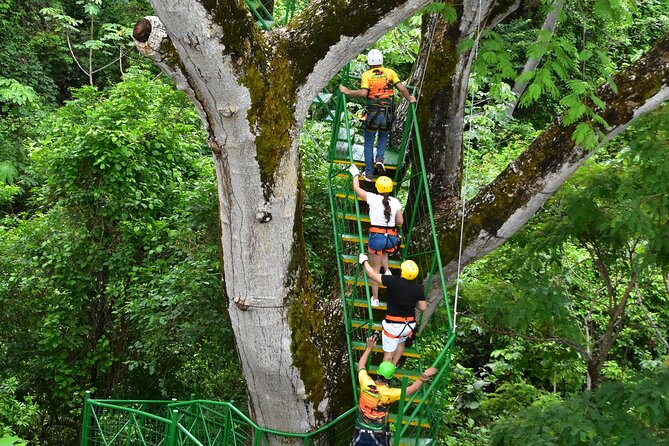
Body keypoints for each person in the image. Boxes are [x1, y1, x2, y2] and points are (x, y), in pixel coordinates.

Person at [339, 49, 417, 181]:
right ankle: (380, 159)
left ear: (369, 62)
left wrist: (347, 91)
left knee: (369, 142)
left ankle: (369, 173)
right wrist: (410, 99)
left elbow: (364, 93)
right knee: (383, 136)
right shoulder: (390, 73)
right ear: (381, 60)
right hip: (388, 114)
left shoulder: (367, 75)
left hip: (373, 113)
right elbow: (402, 88)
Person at [351, 335, 438, 446]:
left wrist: (368, 348)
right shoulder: (390, 394)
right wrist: (424, 375)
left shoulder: (365, 383)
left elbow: (361, 365)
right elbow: (413, 388)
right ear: (391, 377)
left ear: (377, 372)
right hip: (378, 435)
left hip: (360, 431)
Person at [348, 164, 403, 307]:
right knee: (383, 251)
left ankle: (375, 299)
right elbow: (400, 221)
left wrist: (355, 174)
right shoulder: (396, 202)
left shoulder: (373, 198)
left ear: (378, 188)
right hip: (391, 238)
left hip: (377, 237)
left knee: (375, 270)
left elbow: (356, 188)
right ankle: (388, 270)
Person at [359, 254, 426, 365]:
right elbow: (423, 307)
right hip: (408, 325)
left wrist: (364, 261)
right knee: (401, 343)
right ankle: (392, 367)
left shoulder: (393, 281)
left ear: (402, 271)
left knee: (388, 354)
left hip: (392, 325)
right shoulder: (418, 288)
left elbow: (372, 275)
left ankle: (384, 376)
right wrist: (410, 301)